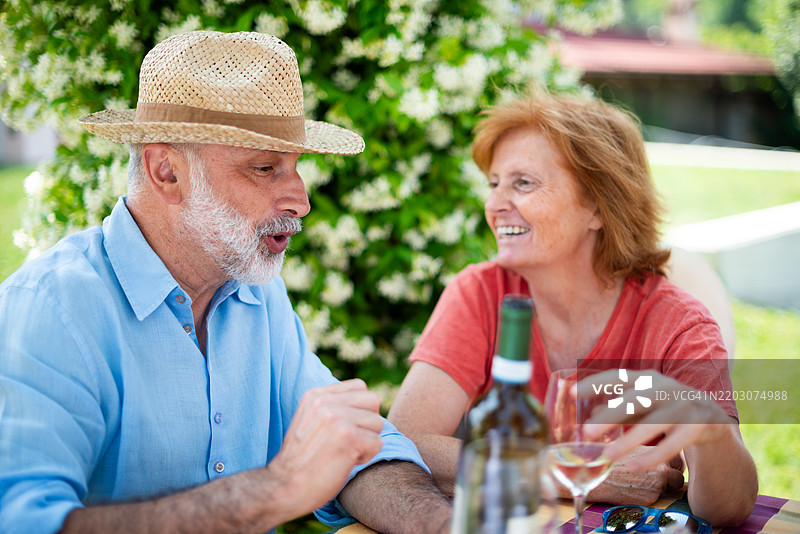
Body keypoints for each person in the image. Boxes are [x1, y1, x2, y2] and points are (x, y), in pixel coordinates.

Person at [0, 30, 452, 534]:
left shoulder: (251, 290)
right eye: (264, 168)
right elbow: (23, 523)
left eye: (295, 168)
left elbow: (363, 451)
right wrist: (272, 491)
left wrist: (439, 524)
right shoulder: (51, 309)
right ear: (166, 171)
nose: (300, 201)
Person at [387, 89, 758, 526]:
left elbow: (730, 508)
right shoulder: (481, 293)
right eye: (494, 183)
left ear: (597, 207)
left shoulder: (679, 324)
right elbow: (404, 441)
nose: (494, 204)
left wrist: (703, 425)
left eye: (523, 182)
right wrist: (577, 472)